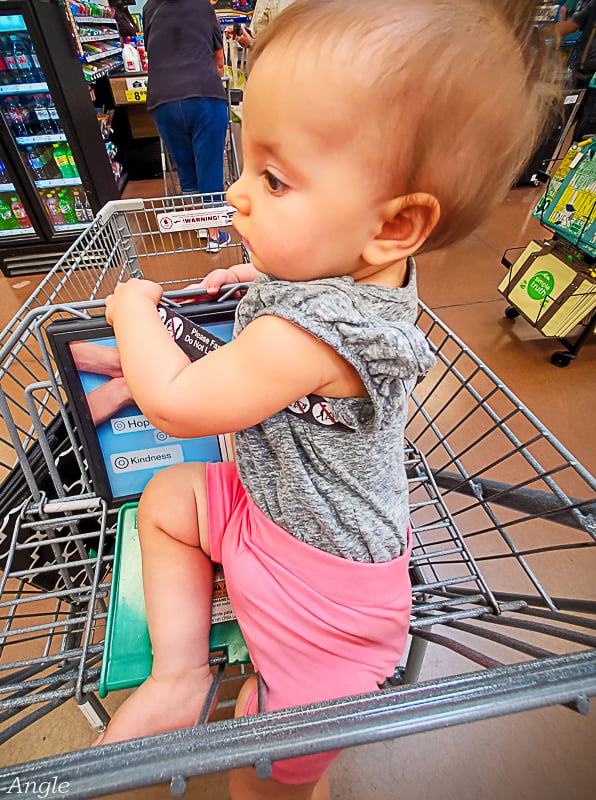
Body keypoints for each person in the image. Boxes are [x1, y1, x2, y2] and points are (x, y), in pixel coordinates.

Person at [95, 1, 558, 798]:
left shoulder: (312, 338)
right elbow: (325, 283)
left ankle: (271, 751)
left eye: (274, 179)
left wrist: (131, 311)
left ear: (394, 225)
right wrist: (264, 276)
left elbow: (173, 403)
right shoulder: (358, 270)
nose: (237, 193)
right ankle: (179, 674)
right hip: (270, 508)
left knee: (269, 767)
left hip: (326, 598)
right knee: (170, 499)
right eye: (245, 161)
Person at [143, 0, 230, 252]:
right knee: (210, 166)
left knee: (186, 168)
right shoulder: (203, 6)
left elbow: (153, 51)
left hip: (163, 99)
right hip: (203, 92)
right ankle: (214, 234)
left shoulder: (149, 7)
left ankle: (201, 224)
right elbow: (218, 58)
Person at [556, 1, 596, 139]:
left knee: (586, 131)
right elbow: (571, 25)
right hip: (579, 72)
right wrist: (539, 33)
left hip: (593, 81)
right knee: (558, 123)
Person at [227, 0, 297, 47]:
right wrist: (241, 31)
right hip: (261, 63)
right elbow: (258, 31)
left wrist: (251, 42)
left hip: (280, 63)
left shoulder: (287, 3)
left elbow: (285, 39)